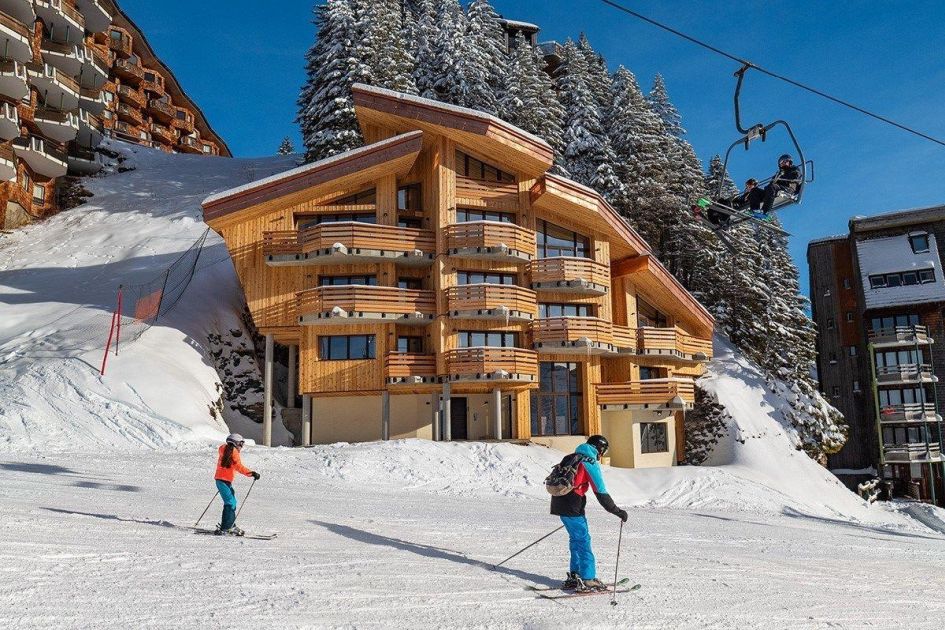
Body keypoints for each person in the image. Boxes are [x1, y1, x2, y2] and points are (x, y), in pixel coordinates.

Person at [550, 435, 628, 592]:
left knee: (576, 539)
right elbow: (601, 492)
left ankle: (575, 575)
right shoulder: (589, 461)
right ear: (599, 449)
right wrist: (618, 512)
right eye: (603, 451)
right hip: (573, 505)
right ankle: (588, 579)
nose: (601, 455)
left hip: (559, 502)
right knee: (583, 541)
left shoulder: (571, 457)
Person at [214, 433, 260, 536]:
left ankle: (230, 524)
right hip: (223, 480)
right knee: (230, 503)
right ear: (235, 443)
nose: (241, 446)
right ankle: (226, 528)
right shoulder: (232, 452)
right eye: (240, 444)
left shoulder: (225, 449)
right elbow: (238, 466)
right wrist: (251, 473)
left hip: (223, 480)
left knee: (232, 502)